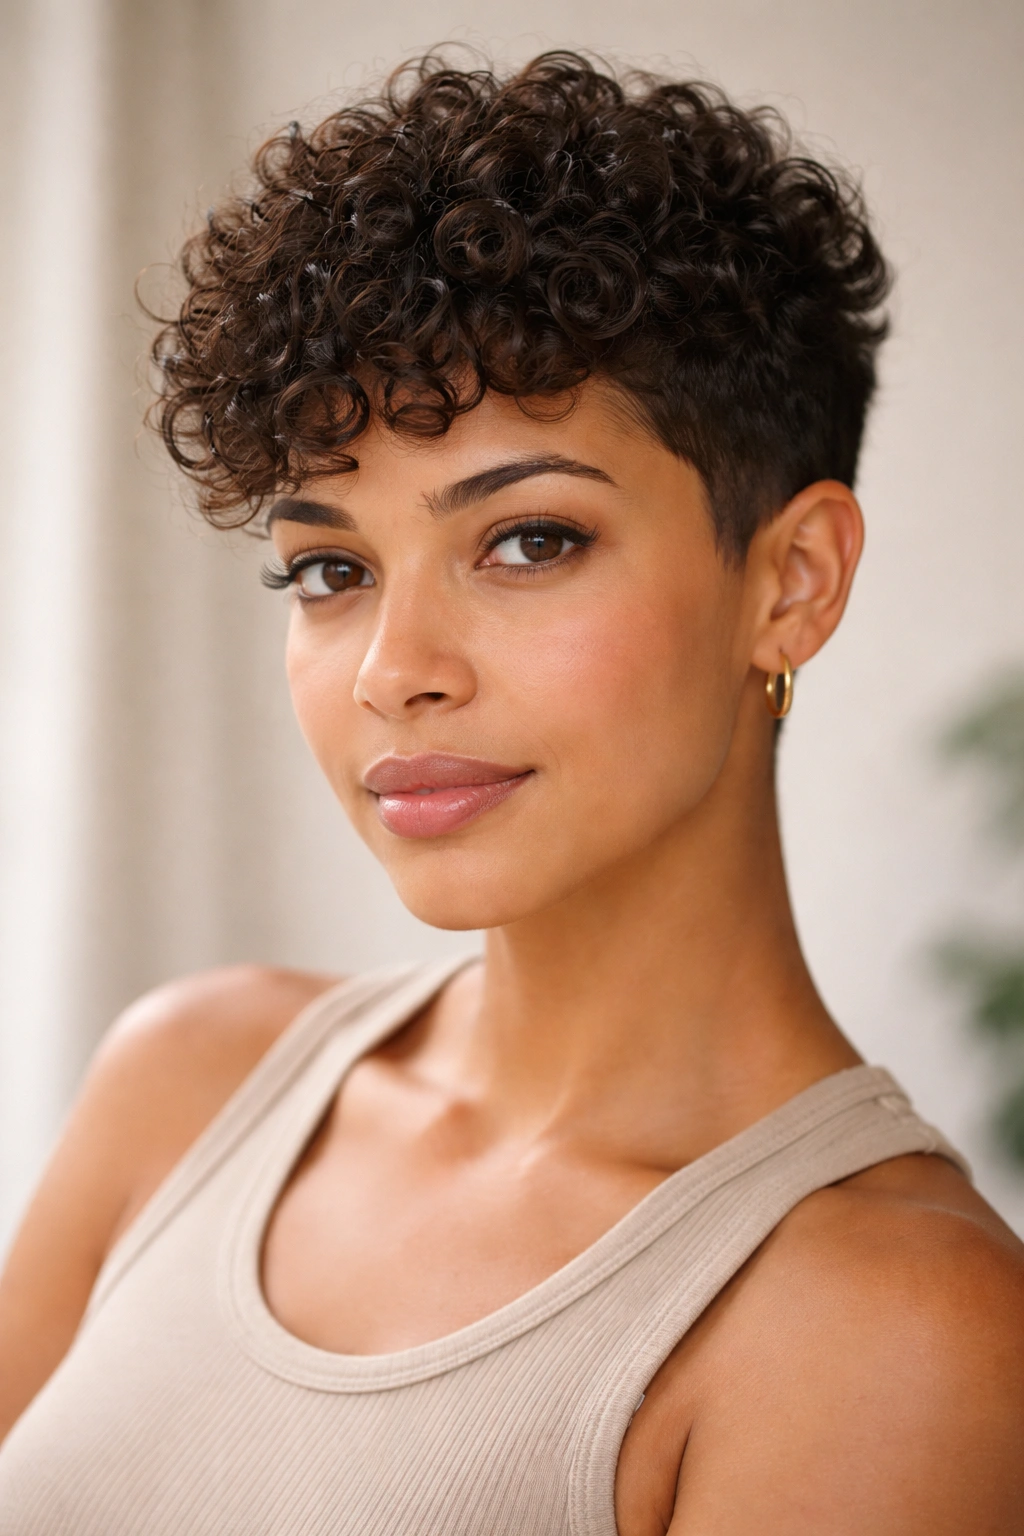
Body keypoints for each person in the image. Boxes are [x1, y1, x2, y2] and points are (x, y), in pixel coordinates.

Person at [0, 50, 1021, 1535]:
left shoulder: (894, 1326)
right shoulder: (193, 1079)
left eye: (529, 541)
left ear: (791, 583)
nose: (392, 671)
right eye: (332, 570)